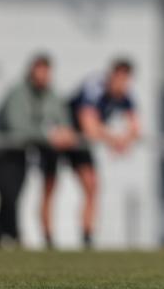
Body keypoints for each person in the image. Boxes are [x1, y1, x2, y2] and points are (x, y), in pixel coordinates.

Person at [42, 59, 140, 249]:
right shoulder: (94, 86)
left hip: (80, 143)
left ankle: (87, 237)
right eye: (119, 77)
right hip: (62, 136)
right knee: (50, 186)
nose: (122, 83)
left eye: (125, 79)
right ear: (112, 75)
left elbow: (135, 127)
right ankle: (48, 237)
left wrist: (124, 140)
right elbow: (89, 127)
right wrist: (114, 139)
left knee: (92, 185)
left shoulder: (126, 95)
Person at [0, 54, 74, 247]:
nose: (43, 76)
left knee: (14, 195)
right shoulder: (17, 93)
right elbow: (18, 128)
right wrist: (49, 136)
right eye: (39, 71)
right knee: (7, 194)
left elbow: (62, 120)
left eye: (46, 71)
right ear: (31, 72)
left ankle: (1, 238)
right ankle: (13, 235)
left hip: (19, 154)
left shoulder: (52, 95)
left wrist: (65, 132)